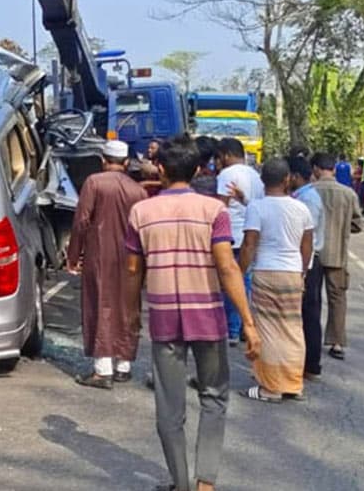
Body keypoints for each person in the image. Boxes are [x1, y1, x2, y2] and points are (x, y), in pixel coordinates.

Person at [124, 136, 259, 491]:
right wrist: (248, 321)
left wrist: (131, 315)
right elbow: (228, 267)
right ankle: (206, 483)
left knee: (169, 409)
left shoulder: (141, 212)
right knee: (214, 397)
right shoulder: (214, 211)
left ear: (162, 170)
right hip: (209, 319)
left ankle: (180, 483)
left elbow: (133, 271)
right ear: (198, 169)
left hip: (164, 319)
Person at [67, 140, 149, 389]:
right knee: (128, 306)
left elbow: (81, 220)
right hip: (132, 258)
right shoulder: (139, 190)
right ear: (126, 163)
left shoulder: (94, 183)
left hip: (100, 254)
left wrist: (73, 255)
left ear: (103, 160)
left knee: (101, 303)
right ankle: (123, 366)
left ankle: (103, 370)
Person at [237, 159, 314, 403]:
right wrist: (301, 272)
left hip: (266, 271)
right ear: (287, 179)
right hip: (292, 273)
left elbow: (249, 245)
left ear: (262, 181)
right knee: (292, 328)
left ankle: (270, 387)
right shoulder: (301, 209)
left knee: (268, 329)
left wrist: (239, 271)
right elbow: (307, 245)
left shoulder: (257, 208)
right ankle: (293, 384)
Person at [311, 153, 362, 362]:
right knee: (338, 298)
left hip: (312, 254)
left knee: (311, 299)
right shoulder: (348, 194)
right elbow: (357, 223)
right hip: (338, 253)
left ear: (315, 169)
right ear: (333, 169)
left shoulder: (309, 192)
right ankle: (337, 342)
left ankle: (309, 336)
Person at [215, 137, 264, 345]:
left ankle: (232, 328)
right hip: (251, 232)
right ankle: (245, 325)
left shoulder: (227, 174)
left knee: (230, 281)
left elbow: (220, 207)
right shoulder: (256, 175)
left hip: (231, 234)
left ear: (226, 155)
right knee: (246, 280)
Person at [288, 156, 326, 381]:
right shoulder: (302, 196)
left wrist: (303, 269)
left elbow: (307, 237)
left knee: (309, 313)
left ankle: (311, 363)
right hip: (306, 259)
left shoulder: (308, 199)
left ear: (295, 176)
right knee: (303, 313)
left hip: (309, 261)